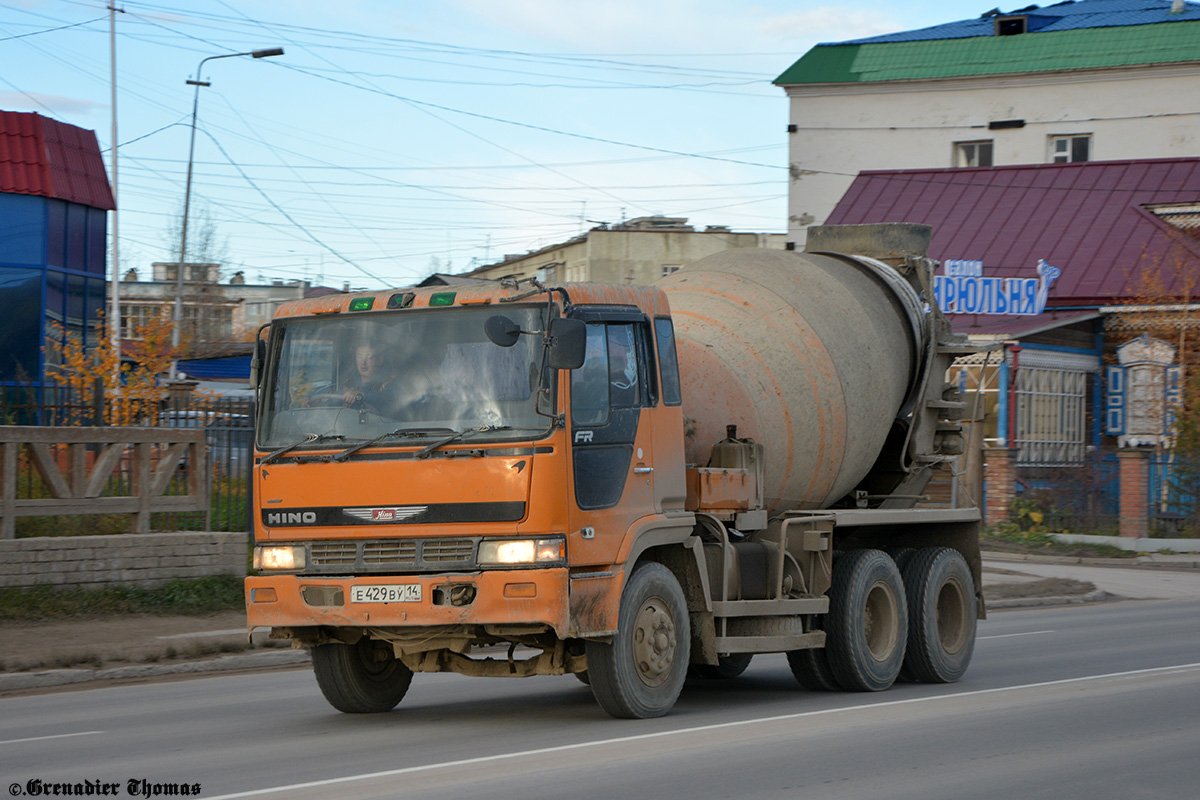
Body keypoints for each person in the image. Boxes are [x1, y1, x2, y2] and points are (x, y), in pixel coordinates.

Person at [341, 342, 396, 412]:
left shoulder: (389, 385)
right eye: (359, 356)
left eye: (369, 357)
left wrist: (362, 395)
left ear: (379, 361)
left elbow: (387, 400)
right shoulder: (348, 383)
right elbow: (332, 401)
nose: (363, 362)